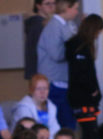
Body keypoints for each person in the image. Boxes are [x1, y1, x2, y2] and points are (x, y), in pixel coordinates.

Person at [36, 0, 80, 129]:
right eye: (75, 8)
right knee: (60, 124)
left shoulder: (67, 25)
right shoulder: (54, 26)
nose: (77, 12)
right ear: (66, 8)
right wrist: (75, 49)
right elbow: (57, 54)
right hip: (55, 82)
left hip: (64, 81)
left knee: (69, 123)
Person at [66, 13, 103, 139]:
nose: (98, 35)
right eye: (98, 31)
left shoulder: (82, 45)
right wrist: (92, 90)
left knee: (91, 133)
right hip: (82, 97)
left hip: (86, 97)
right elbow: (81, 73)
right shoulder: (79, 46)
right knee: (90, 134)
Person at [11, 74, 61, 139]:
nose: (43, 92)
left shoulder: (52, 107)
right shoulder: (23, 108)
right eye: (38, 89)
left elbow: (56, 130)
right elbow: (28, 133)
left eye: (45, 88)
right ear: (31, 90)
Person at [24, 0, 56, 80]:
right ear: (38, 6)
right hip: (41, 72)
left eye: (54, 3)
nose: (51, 6)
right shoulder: (38, 25)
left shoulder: (45, 24)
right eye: (47, 3)